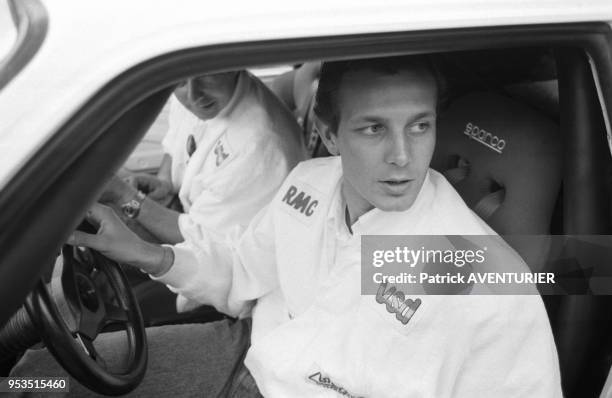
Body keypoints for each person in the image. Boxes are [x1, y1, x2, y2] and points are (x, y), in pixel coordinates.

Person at [11, 56, 562, 397]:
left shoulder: (474, 272)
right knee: (37, 378)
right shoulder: (308, 184)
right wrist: (146, 254)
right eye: (374, 129)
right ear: (326, 130)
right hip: (245, 354)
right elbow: (242, 269)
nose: (403, 157)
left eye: (420, 127)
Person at [100, 70, 305, 313]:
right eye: (179, 82)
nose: (194, 95)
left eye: (208, 75)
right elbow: (174, 142)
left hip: (224, 281)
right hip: (196, 238)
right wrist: (165, 179)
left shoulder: (257, 146)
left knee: (118, 313)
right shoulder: (198, 96)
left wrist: (125, 196)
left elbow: (208, 251)